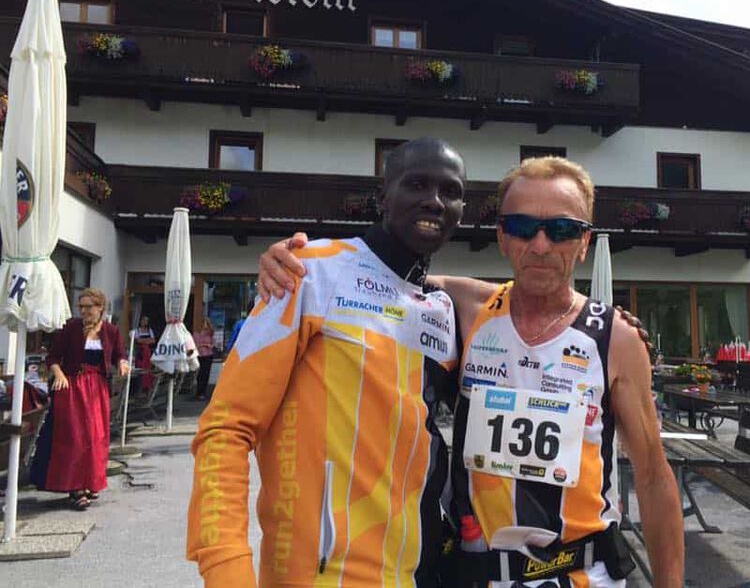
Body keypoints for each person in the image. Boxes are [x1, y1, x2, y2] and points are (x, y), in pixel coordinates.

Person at [259, 156, 684, 586]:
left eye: (561, 230)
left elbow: (652, 477)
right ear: (502, 237)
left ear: (584, 242)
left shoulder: (616, 338)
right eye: (521, 227)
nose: (540, 246)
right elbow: (363, 275)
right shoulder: (464, 308)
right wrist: (293, 260)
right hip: (477, 576)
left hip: (580, 574)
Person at [186, 137, 466, 587]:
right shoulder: (307, 272)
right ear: (383, 197)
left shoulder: (442, 309)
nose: (434, 201)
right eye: (417, 184)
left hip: (420, 572)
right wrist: (225, 568)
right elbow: (226, 428)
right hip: (319, 575)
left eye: (450, 192)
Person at [30, 288, 129, 511]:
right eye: (81, 307)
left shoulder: (111, 331)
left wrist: (122, 363)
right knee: (74, 438)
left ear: (100, 308)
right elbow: (53, 358)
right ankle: (76, 488)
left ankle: (90, 482)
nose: (83, 311)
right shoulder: (71, 328)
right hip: (72, 388)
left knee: (95, 439)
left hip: (97, 391)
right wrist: (60, 375)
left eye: (88, 307)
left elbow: (119, 354)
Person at [130, 315, 156, 394]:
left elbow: (153, 341)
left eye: (146, 321)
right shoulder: (136, 331)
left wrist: (143, 340)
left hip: (147, 353)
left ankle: (147, 388)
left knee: (148, 369)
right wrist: (147, 340)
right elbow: (137, 340)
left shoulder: (149, 330)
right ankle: (139, 389)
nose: (144, 322)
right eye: (143, 320)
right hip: (140, 353)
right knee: (140, 369)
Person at [192, 317, 217, 400]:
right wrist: (200, 346)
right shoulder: (196, 334)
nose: (205, 326)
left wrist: (208, 345)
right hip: (199, 355)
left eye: (207, 324)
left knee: (206, 374)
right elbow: (194, 345)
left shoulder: (210, 334)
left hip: (208, 355)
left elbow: (213, 345)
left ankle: (203, 392)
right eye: (204, 323)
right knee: (200, 374)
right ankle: (199, 392)